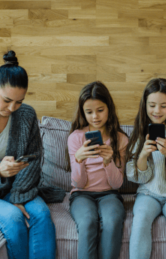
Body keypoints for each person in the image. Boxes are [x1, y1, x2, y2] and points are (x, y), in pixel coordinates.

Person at [0, 51, 65, 259]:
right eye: (7, 100)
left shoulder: (26, 115)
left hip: (15, 189)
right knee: (12, 217)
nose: (12, 108)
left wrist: (18, 195)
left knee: (42, 215)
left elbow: (34, 159)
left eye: (18, 101)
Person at [126, 78, 166, 259]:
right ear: (145, 105)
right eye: (152, 105)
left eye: (163, 106)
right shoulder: (140, 134)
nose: (157, 111)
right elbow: (136, 177)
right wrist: (143, 155)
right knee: (140, 220)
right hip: (149, 193)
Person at [67, 81, 128, 259]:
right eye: (89, 112)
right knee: (87, 222)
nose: (95, 117)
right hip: (81, 193)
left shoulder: (120, 139)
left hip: (110, 193)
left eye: (100, 110)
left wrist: (109, 162)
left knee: (113, 220)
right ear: (82, 112)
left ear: (109, 108)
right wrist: (78, 159)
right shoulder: (76, 138)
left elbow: (117, 184)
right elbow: (78, 183)